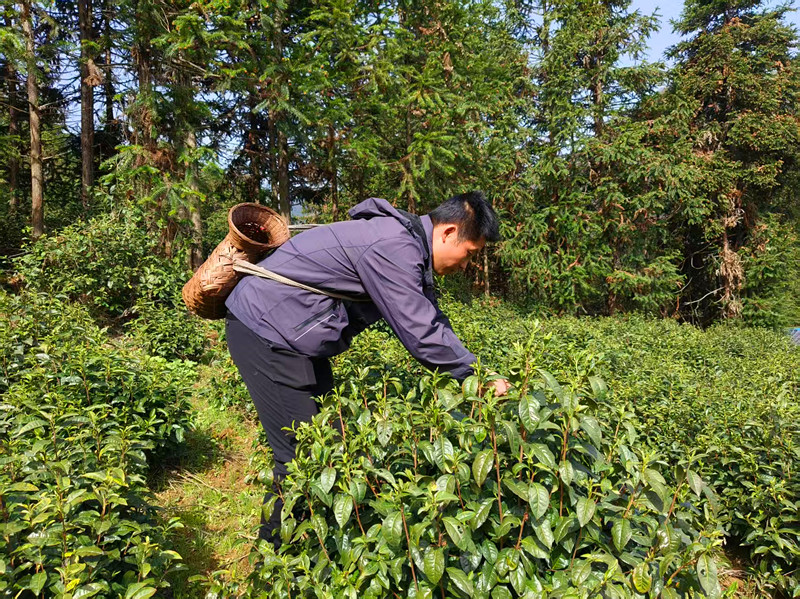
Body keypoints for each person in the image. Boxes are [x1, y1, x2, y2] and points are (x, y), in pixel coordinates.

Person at [224, 190, 511, 548]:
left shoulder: (405, 244)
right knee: (300, 458)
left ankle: (313, 544)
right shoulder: (393, 246)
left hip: (290, 334)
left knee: (327, 439)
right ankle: (273, 557)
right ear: (449, 232)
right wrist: (478, 377)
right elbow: (420, 331)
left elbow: (432, 319)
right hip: (266, 331)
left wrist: (475, 367)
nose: (466, 266)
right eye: (470, 255)